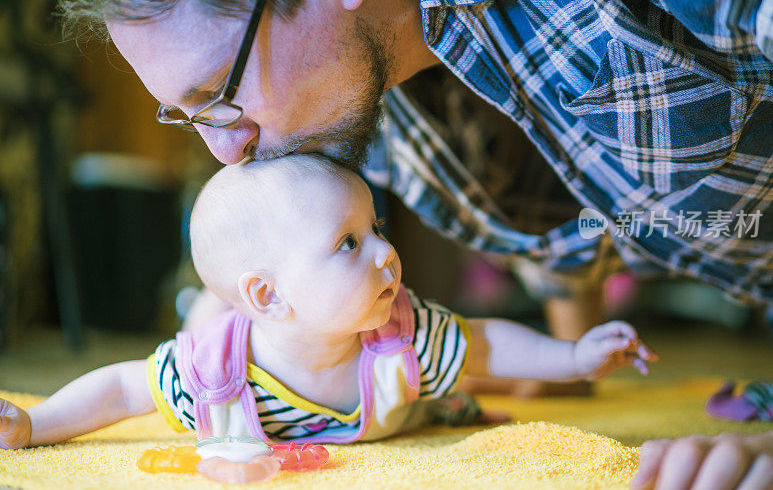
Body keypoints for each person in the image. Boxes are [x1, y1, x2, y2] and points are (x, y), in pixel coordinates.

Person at [55, 0, 773, 487]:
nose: (225, 147)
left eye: (220, 91)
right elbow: (565, 187)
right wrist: (569, 350)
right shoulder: (353, 108)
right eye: (189, 116)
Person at [0, 155, 657, 449]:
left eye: (376, 230)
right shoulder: (211, 372)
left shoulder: (401, 331)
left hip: (409, 402)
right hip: (237, 336)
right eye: (349, 243)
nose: (384, 254)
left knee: (454, 385)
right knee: (201, 327)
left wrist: (573, 355)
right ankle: (204, 301)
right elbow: (120, 390)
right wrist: (36, 424)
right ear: (270, 292)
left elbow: (485, 342)